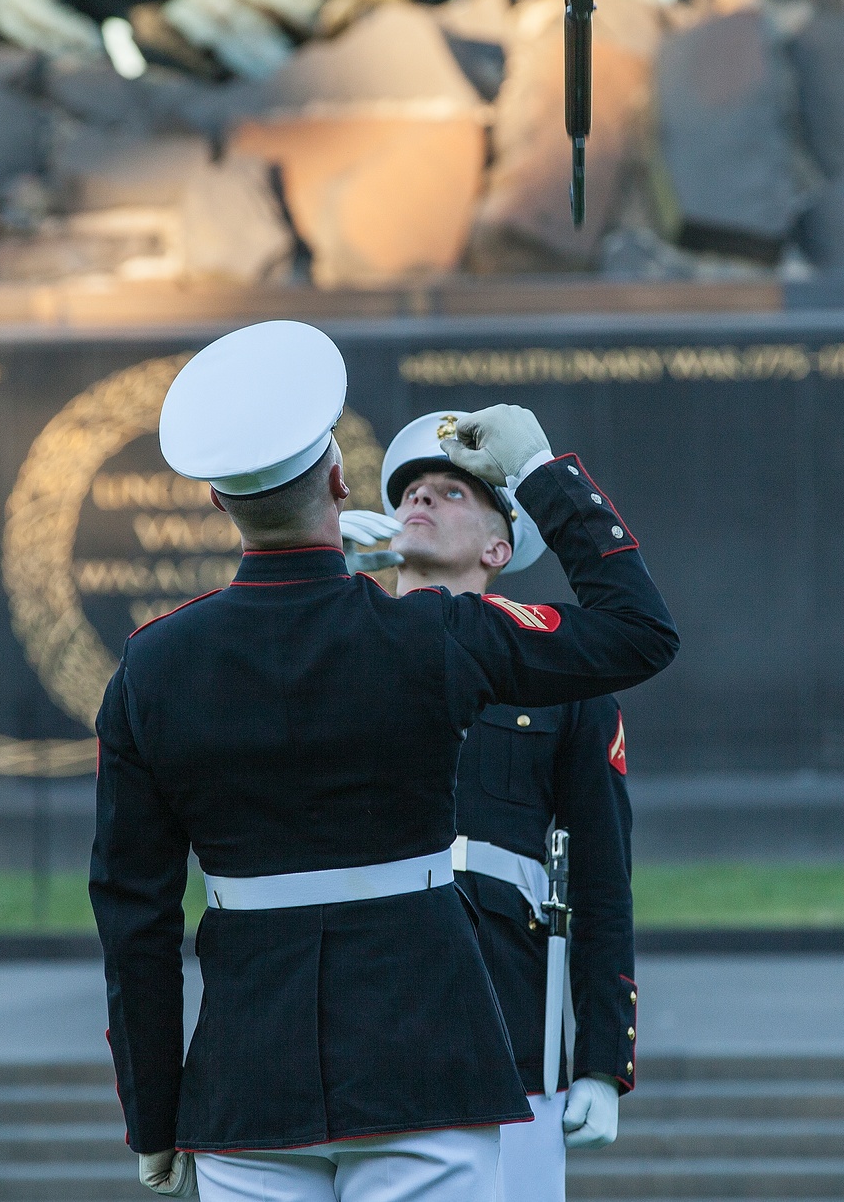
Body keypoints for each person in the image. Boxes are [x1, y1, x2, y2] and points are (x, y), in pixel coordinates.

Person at [89, 320, 678, 1201]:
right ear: (338, 480)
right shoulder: (429, 635)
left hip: (248, 1083)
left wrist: (155, 1112)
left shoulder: (154, 664)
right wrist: (540, 473)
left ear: (218, 503)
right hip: (425, 1062)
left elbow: (133, 919)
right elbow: (638, 631)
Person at [351, 410, 638, 1202]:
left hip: (504, 1008)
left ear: (497, 549)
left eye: (450, 492)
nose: (420, 501)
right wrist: (317, 584)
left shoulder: (560, 681)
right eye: (409, 489)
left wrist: (601, 1061)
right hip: (356, 1001)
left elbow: (601, 880)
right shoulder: (341, 647)